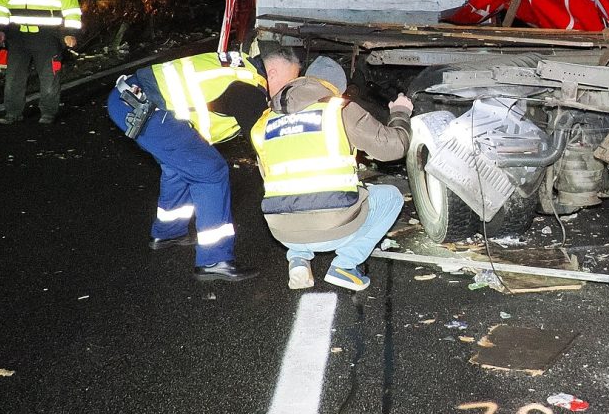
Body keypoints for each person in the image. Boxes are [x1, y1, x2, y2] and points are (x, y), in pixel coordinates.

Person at [107, 48, 303, 282]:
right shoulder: (248, 89)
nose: (287, 90)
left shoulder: (239, 67)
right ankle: (214, 259)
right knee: (211, 171)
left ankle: (168, 232)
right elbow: (264, 143)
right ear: (272, 72)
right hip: (142, 106)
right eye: (289, 82)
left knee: (181, 165)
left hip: (129, 97)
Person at [250, 55, 412, 291]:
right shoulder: (338, 109)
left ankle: (298, 259)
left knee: (294, 197)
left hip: (283, 231)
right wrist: (400, 112)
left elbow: (271, 177)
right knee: (390, 197)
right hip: (333, 229)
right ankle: (345, 266)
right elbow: (394, 147)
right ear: (337, 88)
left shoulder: (264, 122)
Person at [0, 0, 82, 124]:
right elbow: (1, 6)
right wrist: (0, 29)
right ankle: (12, 113)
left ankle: (48, 112)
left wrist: (70, 32)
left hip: (47, 37)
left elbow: (71, 7)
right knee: (14, 78)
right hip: (17, 37)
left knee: (49, 77)